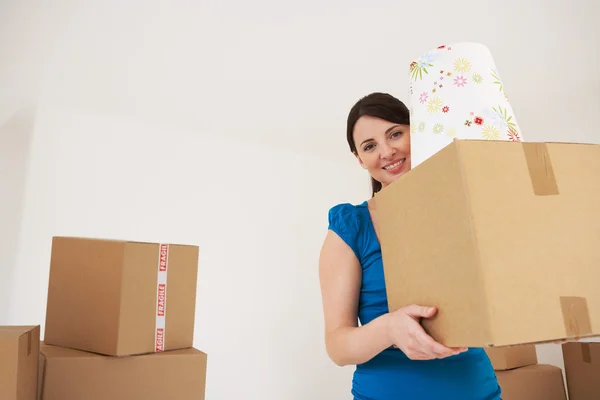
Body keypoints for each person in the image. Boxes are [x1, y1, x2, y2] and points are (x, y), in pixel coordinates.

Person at [318, 92, 502, 399]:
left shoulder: (461, 209)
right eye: (370, 146)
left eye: (395, 134)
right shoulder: (352, 227)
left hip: (474, 389)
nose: (387, 151)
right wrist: (389, 328)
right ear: (360, 159)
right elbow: (337, 347)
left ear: (415, 132)